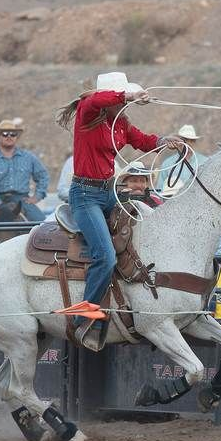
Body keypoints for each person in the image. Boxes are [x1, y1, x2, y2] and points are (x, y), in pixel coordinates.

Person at [54, 71, 184, 349]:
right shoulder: (88, 114)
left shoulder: (120, 123)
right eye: (121, 98)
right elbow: (97, 100)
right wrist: (130, 96)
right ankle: (84, 317)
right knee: (105, 255)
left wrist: (164, 140)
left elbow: (143, 141)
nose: (124, 106)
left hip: (108, 191)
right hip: (85, 195)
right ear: (115, 97)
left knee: (141, 226)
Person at [0, 119, 49, 224]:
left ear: (16, 137)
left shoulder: (29, 158)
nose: (9, 136)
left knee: (43, 225)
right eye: (5, 134)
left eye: (13, 134)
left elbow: (43, 176)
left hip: (22, 199)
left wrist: (37, 197)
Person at [156, 124, 204, 196]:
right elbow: (160, 190)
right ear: (177, 141)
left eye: (192, 140)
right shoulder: (167, 164)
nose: (188, 143)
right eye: (185, 140)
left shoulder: (204, 161)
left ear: (195, 142)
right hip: (173, 203)